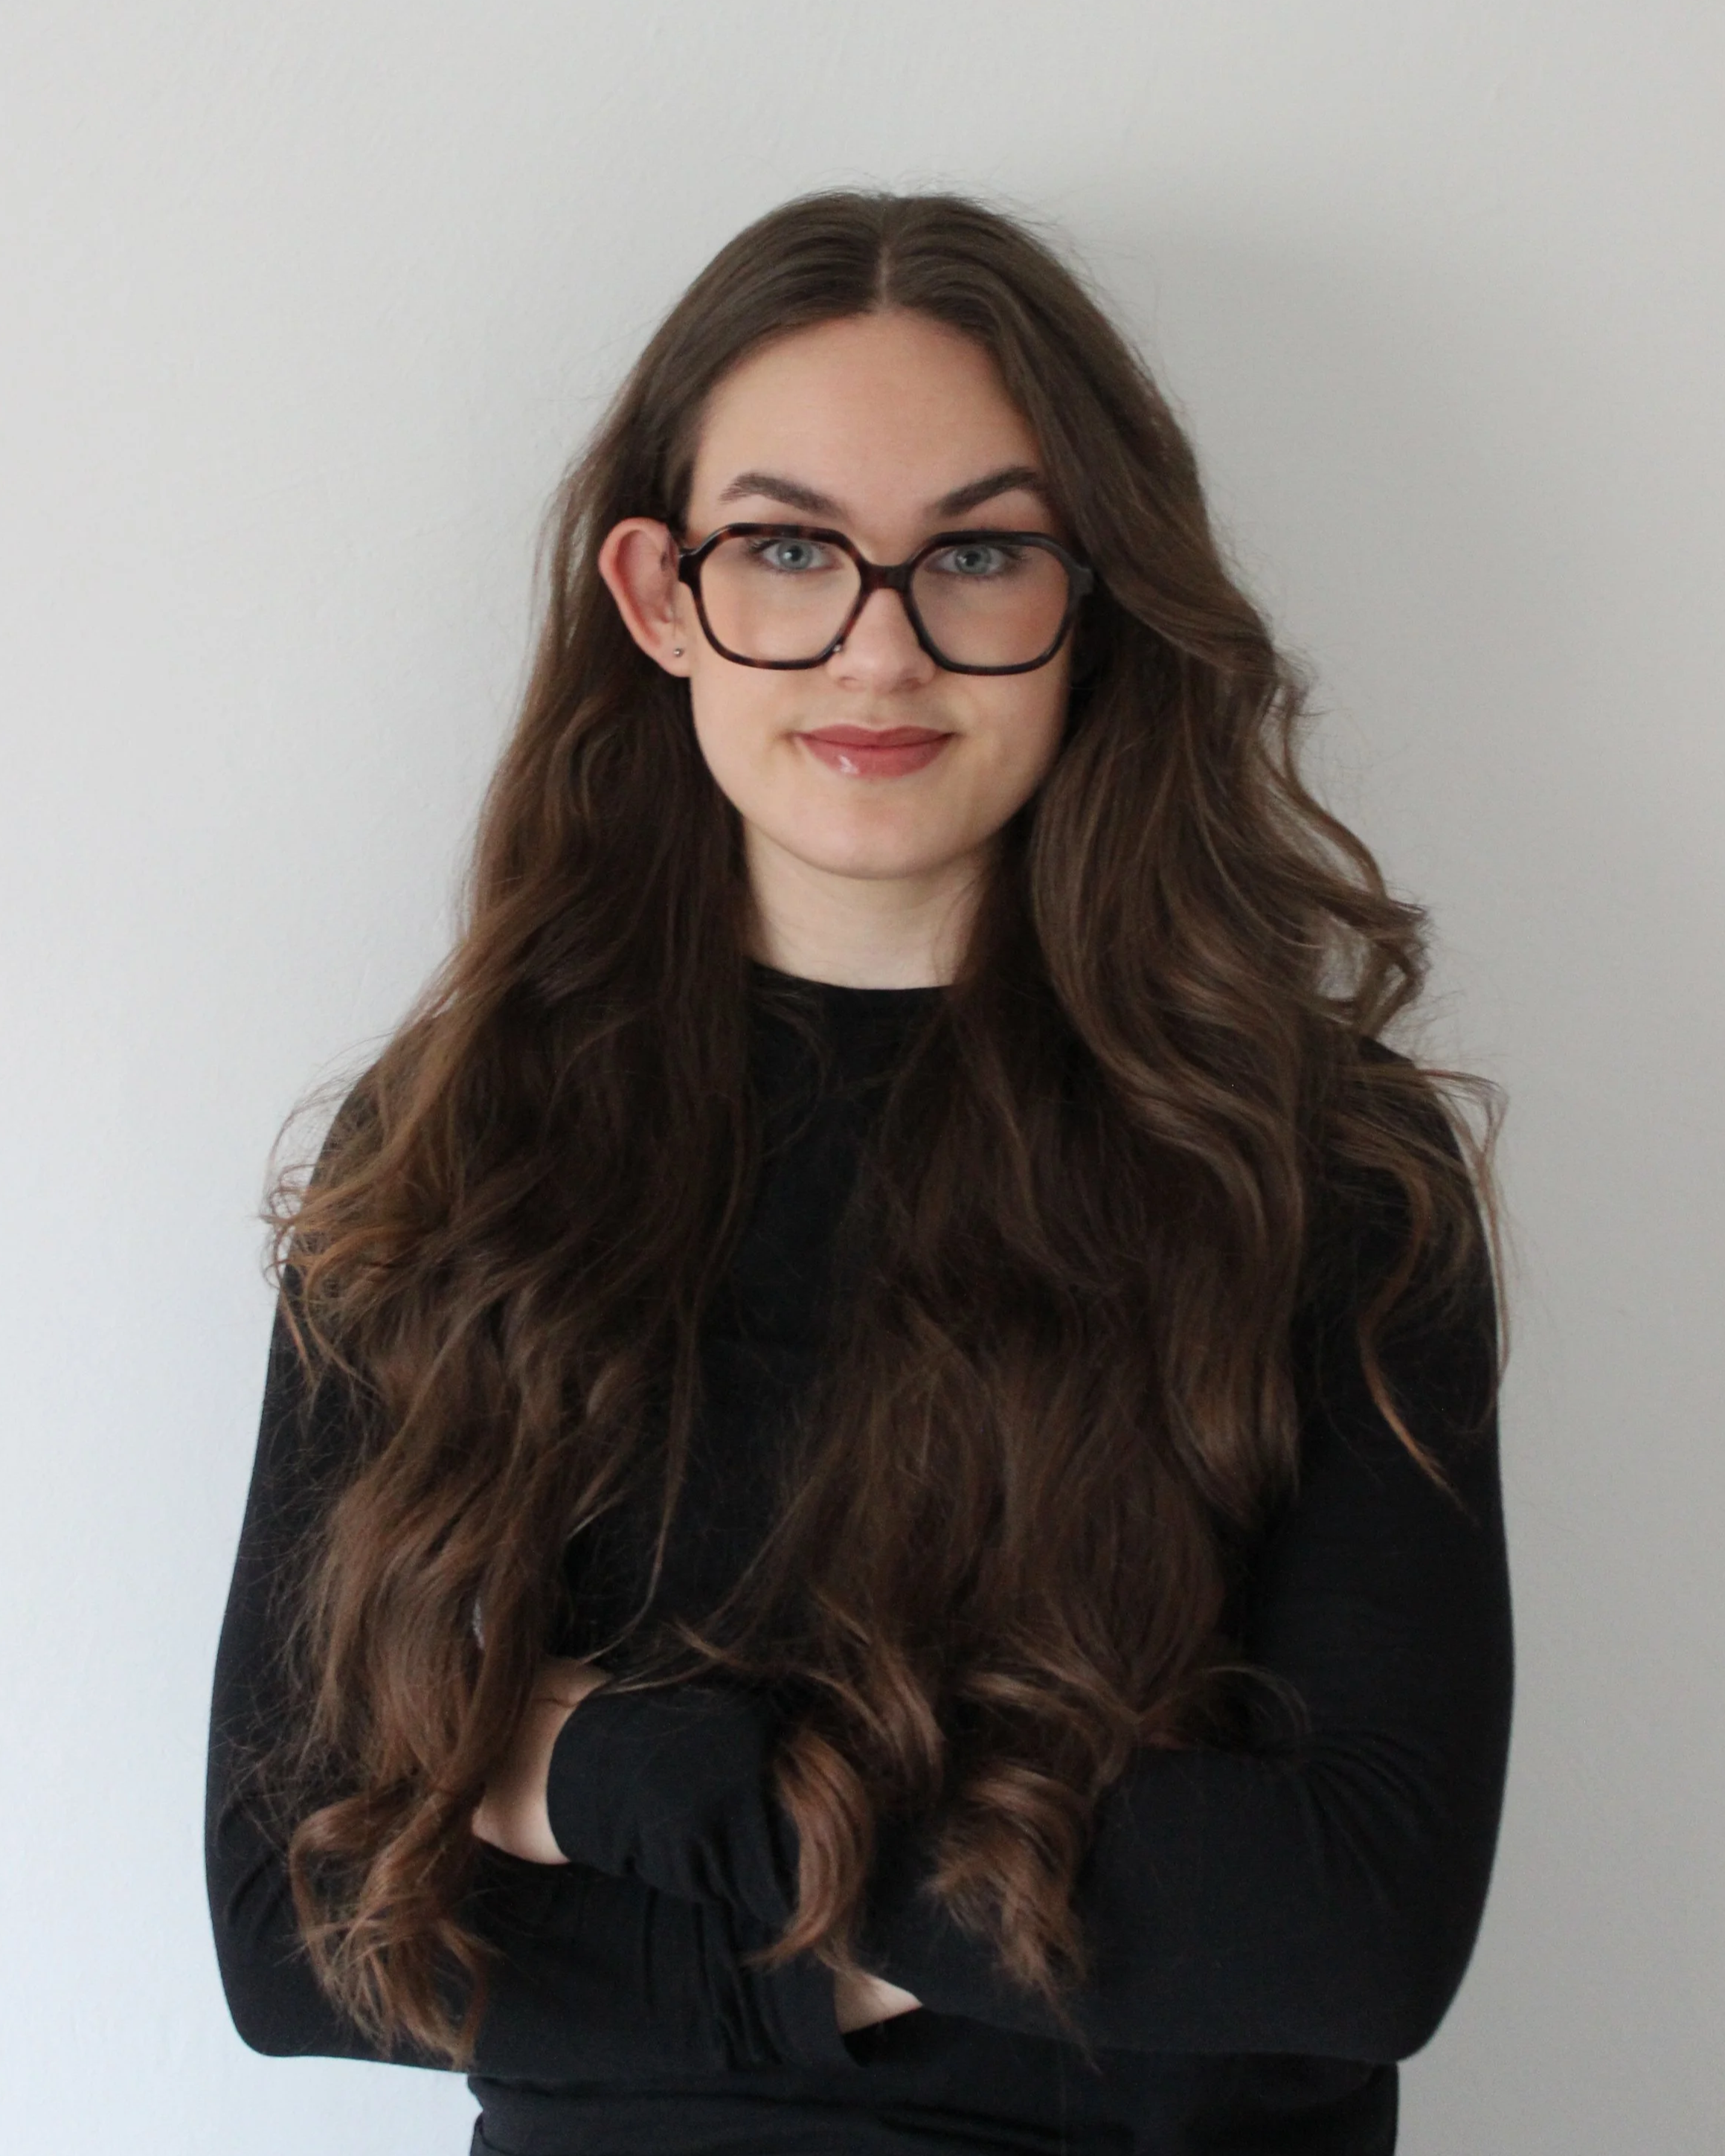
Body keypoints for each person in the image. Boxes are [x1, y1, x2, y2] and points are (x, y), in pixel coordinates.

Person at [206, 188, 1512, 2156]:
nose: (877, 651)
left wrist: (603, 1776)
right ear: (659, 594)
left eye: (976, 554)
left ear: (1091, 599)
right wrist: (932, 1947)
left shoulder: (1318, 1173)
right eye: (788, 549)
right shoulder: (454, 1157)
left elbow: (1345, 1936)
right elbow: (291, 1933)